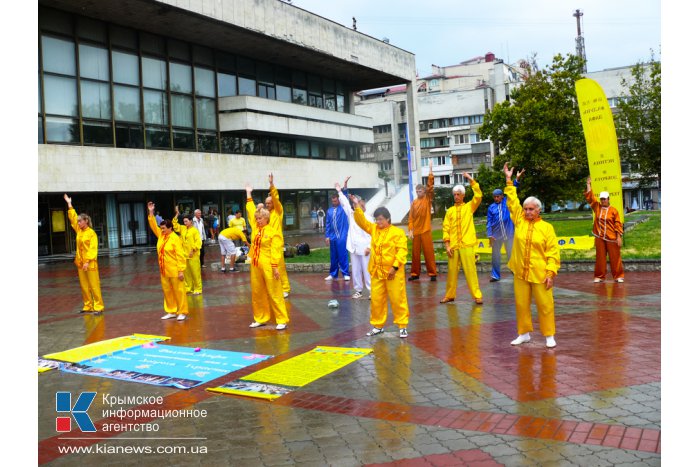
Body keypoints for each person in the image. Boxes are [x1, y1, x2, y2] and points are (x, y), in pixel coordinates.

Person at [503, 163, 560, 348]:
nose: (527, 212)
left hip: (540, 274)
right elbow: (512, 201)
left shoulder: (546, 228)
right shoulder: (519, 220)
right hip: (520, 271)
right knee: (521, 304)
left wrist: (551, 272)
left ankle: (549, 335)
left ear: (538, 210)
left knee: (545, 305)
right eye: (526, 209)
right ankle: (524, 333)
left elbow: (553, 252)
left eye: (531, 209)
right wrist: (509, 180)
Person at [351, 199, 409, 338]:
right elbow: (362, 222)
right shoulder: (374, 229)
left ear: (388, 219)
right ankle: (378, 325)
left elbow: (402, 251)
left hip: (393, 273)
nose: (378, 222)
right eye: (376, 219)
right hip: (377, 272)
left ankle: (402, 326)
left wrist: (394, 267)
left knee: (397, 299)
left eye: (381, 219)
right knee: (377, 300)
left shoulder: (397, 233)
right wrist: (357, 207)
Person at [440, 173, 484, 305]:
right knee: (452, 273)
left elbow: (479, 196)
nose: (456, 196)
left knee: (471, 271)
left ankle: (477, 295)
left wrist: (471, 180)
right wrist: (447, 245)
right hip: (453, 245)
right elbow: (446, 228)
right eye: (454, 194)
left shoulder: (469, 207)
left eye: (459, 194)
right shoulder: (450, 211)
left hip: (467, 244)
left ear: (463, 195)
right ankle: (450, 295)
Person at [246, 206, 289, 330]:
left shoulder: (273, 232)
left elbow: (275, 250)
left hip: (269, 265)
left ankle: (281, 319)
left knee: (275, 292)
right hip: (255, 265)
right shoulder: (255, 229)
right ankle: (260, 318)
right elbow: (250, 211)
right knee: (257, 292)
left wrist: (275, 266)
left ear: (266, 218)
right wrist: (249, 195)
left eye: (260, 218)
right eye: (257, 219)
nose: (258, 221)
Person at [63, 194, 105, 315]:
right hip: (81, 263)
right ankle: (88, 305)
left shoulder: (91, 233)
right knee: (84, 286)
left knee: (94, 285)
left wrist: (87, 261)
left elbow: (93, 249)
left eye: (80, 221)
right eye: (78, 222)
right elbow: (73, 217)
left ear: (86, 221)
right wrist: (69, 204)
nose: (78, 223)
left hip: (90, 264)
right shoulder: (79, 230)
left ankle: (98, 306)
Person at [147, 201, 188, 321]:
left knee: (179, 291)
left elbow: (180, 255)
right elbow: (153, 224)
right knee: (167, 291)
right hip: (164, 269)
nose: (162, 230)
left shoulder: (175, 238)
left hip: (175, 269)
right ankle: (171, 310)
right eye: (161, 228)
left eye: (164, 228)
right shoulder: (161, 235)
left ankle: (182, 311)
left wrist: (181, 270)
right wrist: (151, 211)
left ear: (170, 228)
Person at [336, 178, 371, 299]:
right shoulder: (352, 215)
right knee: (356, 270)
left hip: (365, 248)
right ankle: (358, 290)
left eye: (358, 205)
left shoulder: (368, 218)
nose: (355, 206)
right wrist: (340, 191)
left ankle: (372, 291)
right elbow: (345, 203)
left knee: (367, 270)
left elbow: (373, 234)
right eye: (355, 205)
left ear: (362, 206)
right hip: (353, 247)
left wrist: (369, 247)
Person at [585, 177, 625, 283]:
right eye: (601, 199)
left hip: (612, 238)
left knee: (615, 257)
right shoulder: (597, 207)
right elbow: (590, 198)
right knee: (600, 258)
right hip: (599, 237)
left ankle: (618, 276)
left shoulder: (613, 211)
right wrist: (588, 184)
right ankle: (599, 276)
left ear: (608, 199)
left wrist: (619, 237)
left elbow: (618, 224)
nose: (603, 200)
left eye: (604, 199)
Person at [408, 160, 437, 281]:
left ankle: (432, 274)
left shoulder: (427, 199)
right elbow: (411, 218)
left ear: (424, 192)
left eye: (420, 191)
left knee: (428, 253)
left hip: (425, 230)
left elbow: (430, 187)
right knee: (415, 254)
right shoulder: (414, 203)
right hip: (416, 232)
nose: (418, 193)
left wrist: (430, 171)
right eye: (417, 191)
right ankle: (415, 274)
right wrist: (410, 230)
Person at [263, 174, 292, 297]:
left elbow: (275, 198)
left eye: (269, 203)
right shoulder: (266, 215)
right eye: (266, 203)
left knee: (279, 266)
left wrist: (271, 185)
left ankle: (285, 288)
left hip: (276, 244)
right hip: (267, 245)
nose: (267, 205)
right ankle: (274, 287)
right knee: (269, 268)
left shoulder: (278, 212)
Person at [172, 207, 203, 295]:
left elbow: (198, 242)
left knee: (195, 273)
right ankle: (188, 288)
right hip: (185, 255)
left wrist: (193, 250)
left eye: (186, 221)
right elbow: (174, 224)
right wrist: (177, 214)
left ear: (191, 221)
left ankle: (198, 288)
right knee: (187, 274)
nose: (185, 223)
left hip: (193, 255)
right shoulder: (182, 228)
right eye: (184, 221)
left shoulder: (195, 231)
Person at [324, 192, 350, 281]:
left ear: (339, 200)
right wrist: (327, 236)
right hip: (332, 237)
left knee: (342, 255)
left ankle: (346, 274)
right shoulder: (329, 211)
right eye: (333, 201)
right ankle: (333, 274)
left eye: (335, 201)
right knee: (333, 256)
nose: (334, 203)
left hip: (342, 236)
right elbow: (327, 224)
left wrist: (345, 188)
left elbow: (345, 198)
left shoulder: (343, 208)